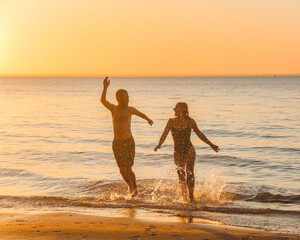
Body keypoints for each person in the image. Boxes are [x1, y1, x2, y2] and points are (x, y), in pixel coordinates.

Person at [154, 102, 219, 202]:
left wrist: (211, 144)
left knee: (190, 173)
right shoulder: (171, 121)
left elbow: (200, 134)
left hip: (189, 149)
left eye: (176, 108)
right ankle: (184, 197)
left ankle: (191, 197)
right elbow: (164, 134)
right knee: (181, 175)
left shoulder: (190, 121)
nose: (174, 109)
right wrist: (159, 144)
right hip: (177, 150)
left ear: (183, 109)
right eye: (174, 108)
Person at [101, 77, 153, 197]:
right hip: (117, 143)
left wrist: (148, 119)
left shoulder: (130, 110)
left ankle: (134, 189)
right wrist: (105, 87)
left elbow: (141, 114)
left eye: (128, 97)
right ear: (119, 98)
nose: (128, 99)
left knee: (128, 169)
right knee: (122, 171)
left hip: (128, 142)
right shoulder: (113, 109)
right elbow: (103, 100)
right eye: (125, 97)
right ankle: (130, 187)